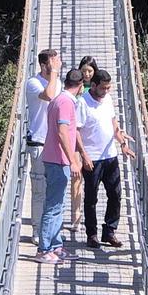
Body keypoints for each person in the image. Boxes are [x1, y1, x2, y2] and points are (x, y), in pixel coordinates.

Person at [78, 69, 135, 249]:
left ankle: (110, 231)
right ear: (93, 86)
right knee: (91, 198)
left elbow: (113, 123)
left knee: (116, 194)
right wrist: (83, 155)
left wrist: (123, 144)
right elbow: (76, 132)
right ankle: (92, 234)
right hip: (92, 158)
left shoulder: (108, 99)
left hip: (110, 155)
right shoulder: (82, 103)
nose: (106, 91)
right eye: (103, 88)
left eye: (109, 88)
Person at [38, 69, 88, 263]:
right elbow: (62, 132)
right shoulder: (66, 102)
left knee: (58, 205)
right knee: (53, 206)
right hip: (57, 160)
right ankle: (44, 249)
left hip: (55, 159)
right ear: (80, 85)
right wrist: (73, 160)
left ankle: (56, 245)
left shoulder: (58, 99)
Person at [24, 49, 61, 241]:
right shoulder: (33, 83)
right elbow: (48, 95)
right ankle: (37, 230)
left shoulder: (59, 83)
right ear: (43, 65)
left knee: (54, 189)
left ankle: (52, 230)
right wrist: (54, 73)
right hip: (39, 142)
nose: (57, 65)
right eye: (53, 62)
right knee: (39, 189)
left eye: (58, 61)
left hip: (56, 143)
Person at [71, 56, 99, 232]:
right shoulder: (75, 87)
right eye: (84, 71)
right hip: (75, 137)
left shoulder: (99, 89)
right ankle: (76, 217)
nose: (87, 74)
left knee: (92, 181)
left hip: (92, 141)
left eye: (90, 71)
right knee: (76, 177)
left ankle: (90, 217)